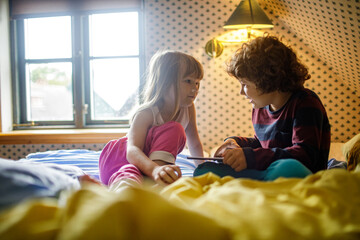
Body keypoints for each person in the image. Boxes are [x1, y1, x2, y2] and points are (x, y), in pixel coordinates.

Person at [194, 35, 331, 181]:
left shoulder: (305, 102)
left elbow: (305, 155)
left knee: (289, 167)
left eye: (245, 84)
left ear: (266, 80)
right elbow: (262, 144)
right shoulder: (260, 108)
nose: (241, 92)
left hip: (298, 174)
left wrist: (250, 157)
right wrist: (234, 143)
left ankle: (255, 180)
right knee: (204, 170)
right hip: (269, 171)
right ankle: (260, 179)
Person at [99, 50, 204, 190]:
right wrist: (154, 169)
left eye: (197, 83)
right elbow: (132, 150)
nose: (195, 88)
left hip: (153, 166)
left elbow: (195, 143)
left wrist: (204, 170)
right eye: (188, 81)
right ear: (166, 83)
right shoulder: (146, 113)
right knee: (131, 172)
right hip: (122, 158)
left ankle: (156, 180)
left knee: (175, 130)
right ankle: (125, 193)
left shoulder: (188, 109)